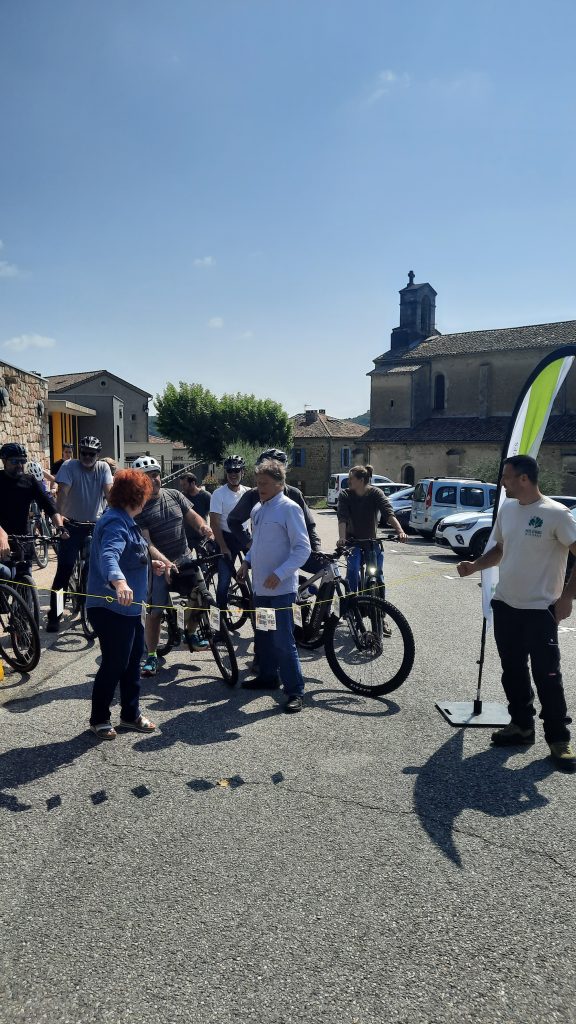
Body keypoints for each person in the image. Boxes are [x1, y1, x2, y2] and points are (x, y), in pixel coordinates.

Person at [457, 454, 576, 768]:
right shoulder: (508, 509)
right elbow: (499, 550)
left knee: (547, 675)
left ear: (524, 479)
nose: (503, 483)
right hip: (506, 604)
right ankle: (521, 727)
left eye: (507, 478)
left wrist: (567, 597)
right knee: (513, 671)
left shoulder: (556, 514)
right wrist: (474, 566)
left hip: (540, 610)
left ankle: (559, 739)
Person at [86, 469, 167, 740]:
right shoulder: (115, 523)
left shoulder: (127, 521)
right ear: (138, 497)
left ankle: (130, 714)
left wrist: (150, 563)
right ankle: (99, 718)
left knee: (132, 661)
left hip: (129, 608)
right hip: (110, 607)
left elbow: (131, 554)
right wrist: (120, 583)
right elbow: (109, 555)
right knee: (114, 662)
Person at [237, 458, 311, 712]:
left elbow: (303, 548)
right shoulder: (258, 509)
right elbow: (257, 543)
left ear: (280, 483)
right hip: (261, 590)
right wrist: (246, 562)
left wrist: (280, 574)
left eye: (265, 483)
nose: (260, 488)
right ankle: (268, 677)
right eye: (257, 483)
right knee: (265, 636)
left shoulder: (289, 508)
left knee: (283, 640)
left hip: (281, 590)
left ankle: (295, 691)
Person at [132, 455, 214, 676]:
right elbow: (147, 543)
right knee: (155, 611)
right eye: (148, 477)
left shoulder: (175, 495)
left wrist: (204, 528)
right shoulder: (139, 508)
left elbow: (193, 516)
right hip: (158, 566)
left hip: (184, 558)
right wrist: (166, 563)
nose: (154, 480)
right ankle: (151, 656)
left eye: (156, 474)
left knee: (201, 596)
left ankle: (190, 633)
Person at [46, 435, 113, 632]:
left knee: (94, 570)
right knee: (64, 571)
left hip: (95, 525)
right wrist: (59, 520)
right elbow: (63, 492)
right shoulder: (69, 466)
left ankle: (91, 611)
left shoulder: (103, 468)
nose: (87, 456)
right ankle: (55, 614)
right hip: (71, 524)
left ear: (97, 455)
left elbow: (109, 494)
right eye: (83, 453)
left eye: (91, 454)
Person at [227, 448, 323, 569]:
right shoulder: (253, 495)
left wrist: (317, 549)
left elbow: (309, 526)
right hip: (266, 556)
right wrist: (249, 543)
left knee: (323, 571)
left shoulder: (294, 495)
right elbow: (233, 520)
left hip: (293, 554)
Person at [337, 464, 407, 594]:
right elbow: (343, 518)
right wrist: (342, 538)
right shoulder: (345, 494)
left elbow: (388, 513)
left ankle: (379, 606)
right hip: (352, 541)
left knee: (377, 572)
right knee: (352, 570)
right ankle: (350, 606)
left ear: (361, 480)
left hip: (371, 541)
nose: (348, 481)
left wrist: (400, 531)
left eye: (351, 478)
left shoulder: (375, 493)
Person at [0, 442, 66, 579]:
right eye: (15, 461)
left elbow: (49, 505)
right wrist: (1, 535)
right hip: (2, 540)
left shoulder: (29, 481)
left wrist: (60, 527)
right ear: (4, 461)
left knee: (25, 581)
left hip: (23, 540)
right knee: (5, 577)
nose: (20, 465)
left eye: (22, 461)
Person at [209, 456, 249, 611]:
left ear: (242, 472)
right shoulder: (219, 494)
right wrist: (223, 547)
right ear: (226, 473)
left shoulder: (247, 492)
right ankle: (221, 617)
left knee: (261, 569)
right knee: (224, 580)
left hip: (244, 536)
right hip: (227, 538)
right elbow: (214, 523)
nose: (233, 474)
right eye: (230, 470)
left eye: (237, 470)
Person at [179, 473, 211, 550]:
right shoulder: (182, 496)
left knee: (204, 560)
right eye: (181, 485)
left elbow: (212, 516)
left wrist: (211, 535)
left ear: (193, 483)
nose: (182, 487)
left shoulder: (206, 496)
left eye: (184, 485)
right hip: (186, 536)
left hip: (201, 535)